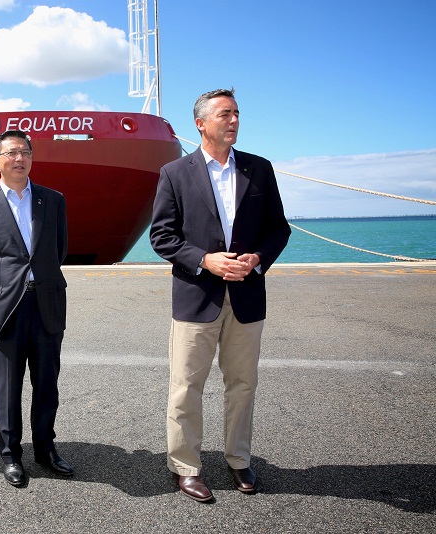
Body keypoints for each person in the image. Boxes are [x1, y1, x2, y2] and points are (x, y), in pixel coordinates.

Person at [150, 88, 291, 502]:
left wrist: (258, 258)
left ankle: (239, 459)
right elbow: (162, 236)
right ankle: (185, 467)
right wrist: (204, 260)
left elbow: (278, 228)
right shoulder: (175, 173)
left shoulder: (259, 169)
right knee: (185, 386)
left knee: (243, 384)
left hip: (247, 297)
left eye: (237, 113)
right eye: (224, 114)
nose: (234, 121)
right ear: (201, 124)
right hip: (196, 296)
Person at [0, 130, 73, 487]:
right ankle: (11, 455)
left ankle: (45, 448)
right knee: (8, 387)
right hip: (6, 307)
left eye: (25, 151)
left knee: (47, 384)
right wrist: (6, 285)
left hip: (46, 303)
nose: (19, 158)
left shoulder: (52, 200)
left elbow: (58, 249)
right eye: (11, 152)